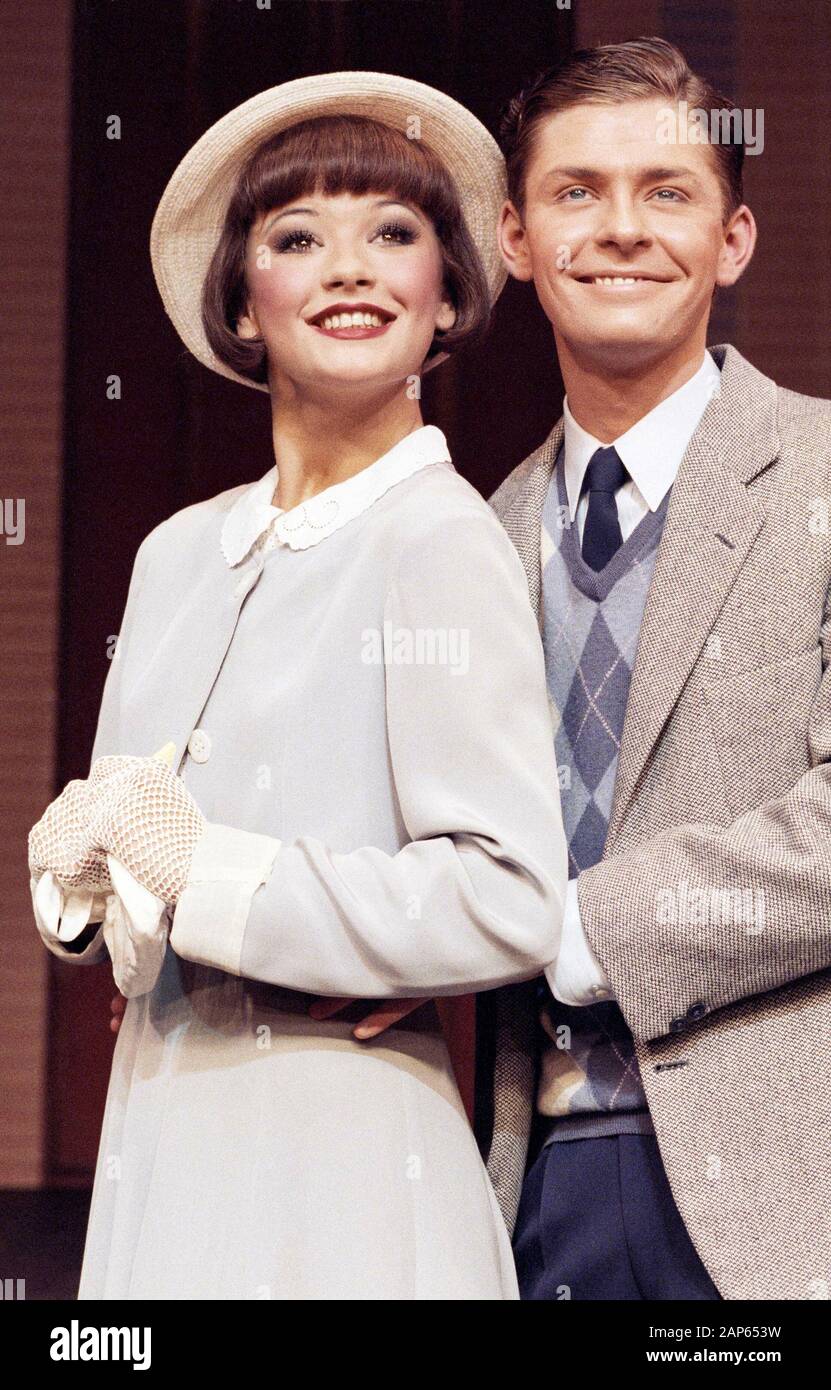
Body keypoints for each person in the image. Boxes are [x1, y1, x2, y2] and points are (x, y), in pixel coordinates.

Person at [27, 72, 567, 1300]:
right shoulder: (175, 552)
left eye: (394, 231)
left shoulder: (439, 539)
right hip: (159, 1130)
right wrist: (81, 888)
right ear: (240, 298)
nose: (351, 267)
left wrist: (216, 881)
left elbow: (508, 891)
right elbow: (128, 867)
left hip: (346, 1158)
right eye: (296, 235)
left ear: (446, 299)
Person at [483, 36, 831, 1301]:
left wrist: (578, 930)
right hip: (517, 1194)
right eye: (576, 192)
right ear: (517, 237)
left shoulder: (825, 475)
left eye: (666, 191)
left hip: (788, 1192)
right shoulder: (467, 536)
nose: (621, 229)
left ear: (733, 239)